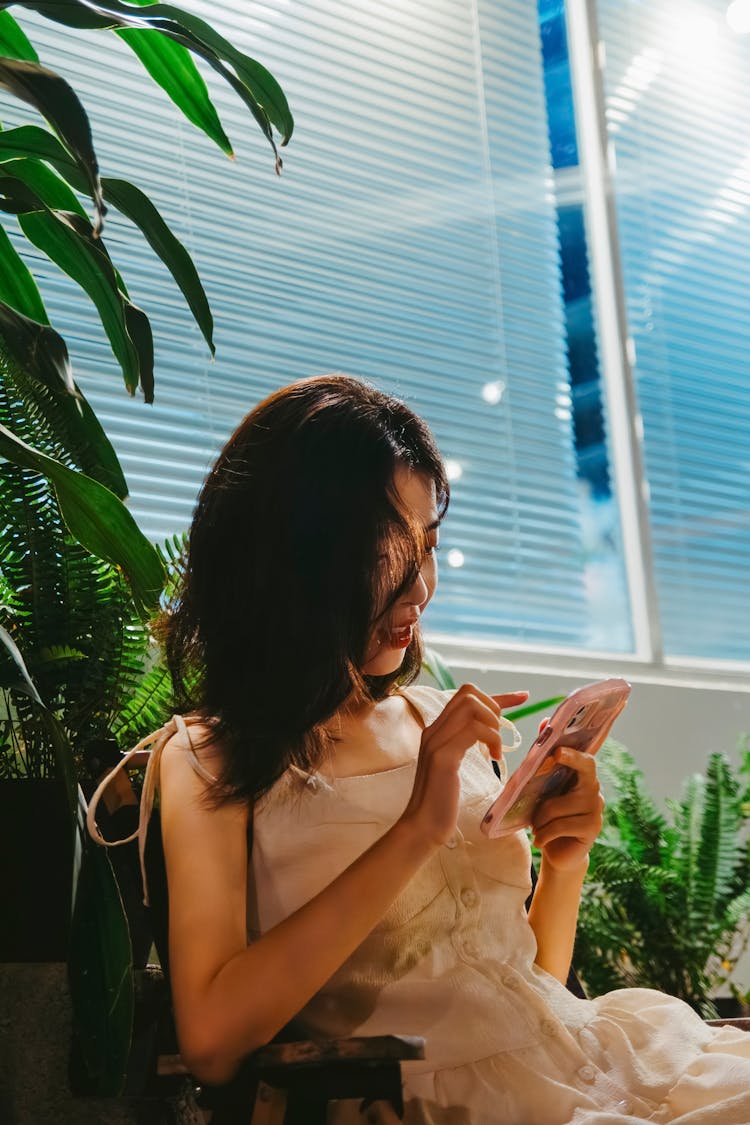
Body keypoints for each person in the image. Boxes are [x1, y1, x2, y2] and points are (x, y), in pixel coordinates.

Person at [91, 374, 750, 1124]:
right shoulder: (209, 757)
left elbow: (523, 989)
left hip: (580, 1063)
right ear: (293, 557)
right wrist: (414, 830)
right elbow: (210, 1041)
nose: (419, 587)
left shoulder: (439, 721)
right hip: (433, 1103)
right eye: (387, 549)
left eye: (428, 546)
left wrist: (566, 859)